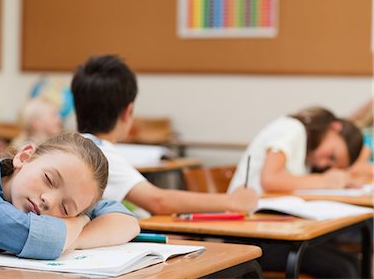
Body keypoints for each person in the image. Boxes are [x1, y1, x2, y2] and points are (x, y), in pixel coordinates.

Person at [71, 55, 258, 215]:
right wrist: (231, 202)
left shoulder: (71, 146)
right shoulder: (98, 153)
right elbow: (158, 200)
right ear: (128, 112)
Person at [0, 132, 140, 261]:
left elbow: (127, 221)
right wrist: (79, 221)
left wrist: (71, 238)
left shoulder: (65, 198)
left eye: (65, 209)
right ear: (24, 157)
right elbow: (42, 240)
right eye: (49, 179)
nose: (49, 200)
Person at [228, 107, 370, 194]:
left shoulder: (307, 159)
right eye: (332, 156)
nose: (322, 165)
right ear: (334, 128)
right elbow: (270, 180)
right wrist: (326, 181)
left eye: (328, 166)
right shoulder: (293, 128)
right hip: (246, 216)